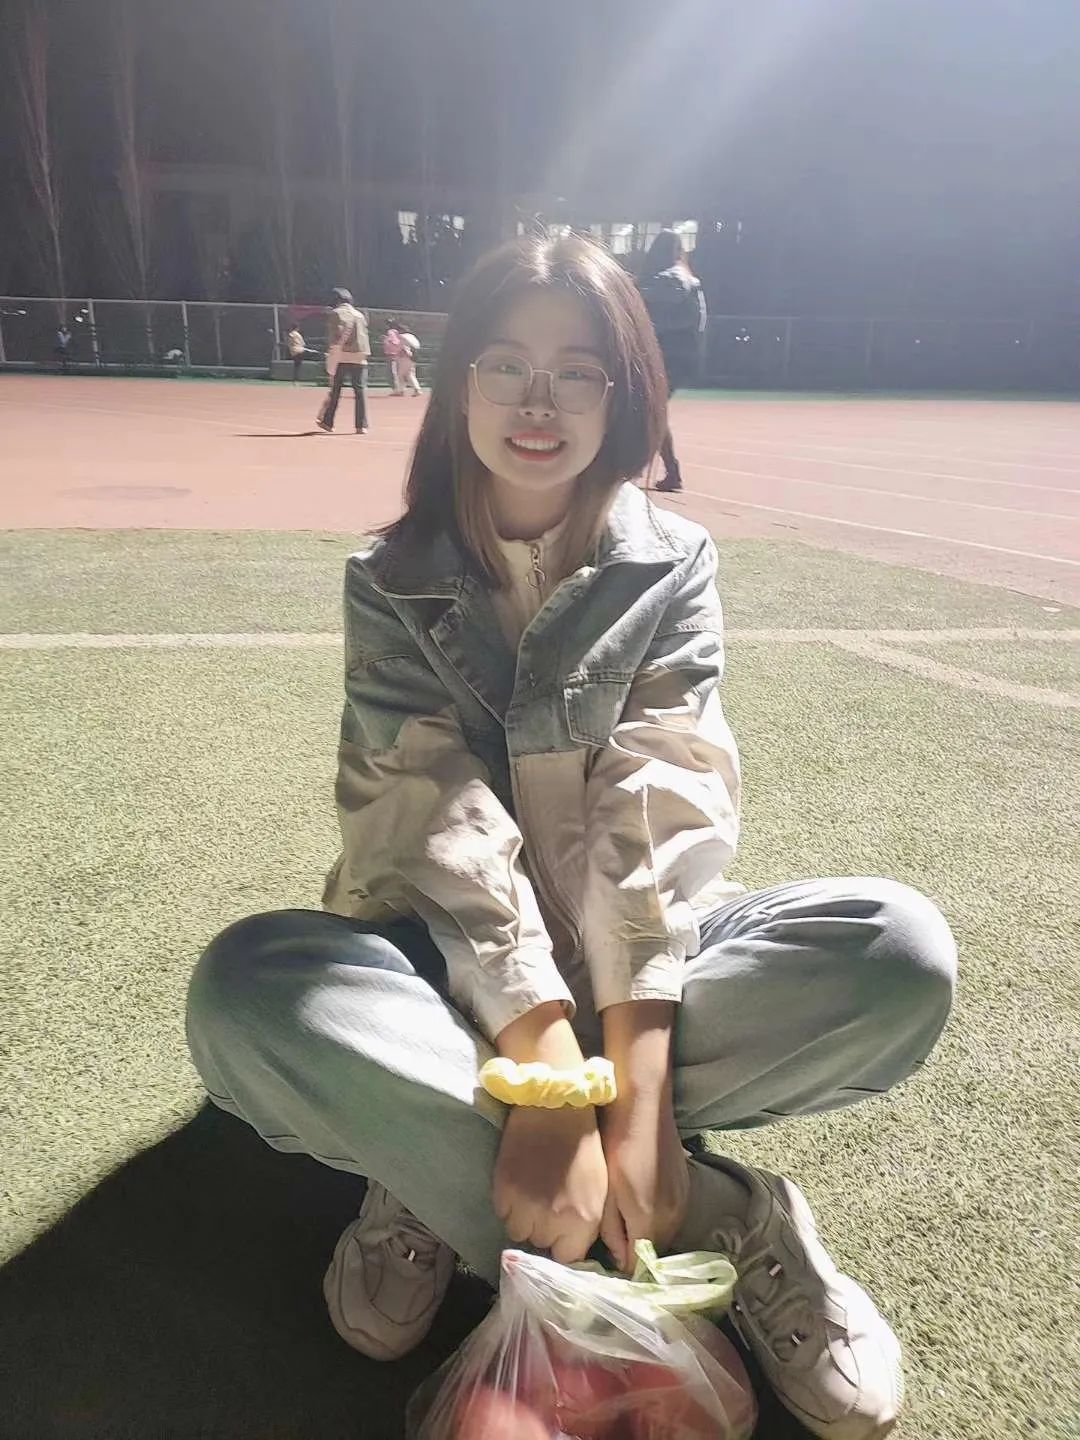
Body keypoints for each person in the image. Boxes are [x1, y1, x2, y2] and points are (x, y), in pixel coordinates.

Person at [186, 235, 955, 1439]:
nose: (536, 403)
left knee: (897, 951)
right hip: (446, 981)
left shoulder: (671, 564)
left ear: (622, 391)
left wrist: (632, 1089)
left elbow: (658, 804)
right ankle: (710, 1219)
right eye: (506, 364)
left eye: (576, 371)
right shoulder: (392, 578)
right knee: (247, 993)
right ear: (459, 384)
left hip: (634, 968)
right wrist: (545, 1075)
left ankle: (447, 1164)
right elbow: (430, 817)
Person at [637, 229, 707, 492]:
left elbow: (665, 294)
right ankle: (661, 468)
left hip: (669, 356)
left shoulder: (674, 278)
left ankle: (668, 469)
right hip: (674, 355)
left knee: (651, 410)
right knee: (649, 410)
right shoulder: (680, 276)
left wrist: (632, 289)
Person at [317, 287, 370, 433]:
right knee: (360, 390)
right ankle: (361, 425)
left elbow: (334, 336)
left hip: (341, 355)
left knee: (336, 390)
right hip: (360, 355)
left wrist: (331, 352)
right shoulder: (359, 315)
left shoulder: (336, 313)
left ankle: (328, 422)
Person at [382, 319, 406, 393]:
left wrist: (385, 339)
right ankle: (401, 388)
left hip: (392, 354)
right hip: (398, 354)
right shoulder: (397, 332)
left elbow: (394, 342)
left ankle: (397, 389)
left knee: (391, 373)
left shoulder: (390, 332)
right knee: (397, 372)